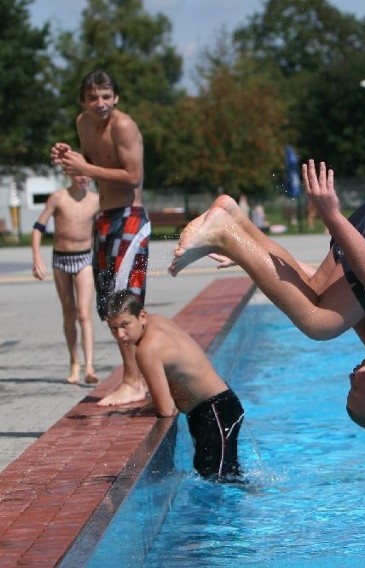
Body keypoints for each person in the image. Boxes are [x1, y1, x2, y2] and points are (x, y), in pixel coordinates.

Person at [169, 159, 365, 434]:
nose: (349, 380)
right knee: (319, 324)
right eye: (353, 391)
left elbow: (315, 284)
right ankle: (223, 233)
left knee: (316, 295)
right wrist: (331, 215)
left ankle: (235, 221)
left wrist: (250, 255)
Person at [50, 69, 150, 407]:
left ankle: (136, 381)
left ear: (116, 97)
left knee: (128, 305)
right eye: (93, 97)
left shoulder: (123, 126)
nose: (100, 103)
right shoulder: (83, 124)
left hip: (130, 220)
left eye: (106, 96)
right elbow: (89, 169)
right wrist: (69, 161)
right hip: (104, 219)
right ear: (83, 100)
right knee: (109, 306)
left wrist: (86, 168)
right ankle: (135, 377)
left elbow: (133, 177)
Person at [105, 291, 244, 482]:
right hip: (220, 406)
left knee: (217, 481)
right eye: (113, 328)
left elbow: (166, 409)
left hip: (214, 412)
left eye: (125, 325)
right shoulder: (158, 321)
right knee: (225, 476)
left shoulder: (147, 350)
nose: (120, 335)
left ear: (142, 316)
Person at [31, 174, 100, 385]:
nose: (84, 178)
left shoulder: (96, 200)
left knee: (84, 313)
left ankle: (89, 366)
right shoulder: (58, 197)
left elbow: (103, 230)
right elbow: (38, 228)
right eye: (79, 174)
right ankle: (74, 363)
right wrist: (36, 258)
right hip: (61, 259)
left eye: (87, 174)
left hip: (84, 259)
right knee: (69, 313)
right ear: (70, 174)